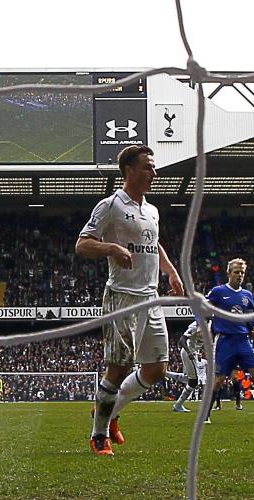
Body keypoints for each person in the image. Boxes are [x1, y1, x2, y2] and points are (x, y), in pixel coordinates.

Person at [76, 144, 184, 456]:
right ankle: (98, 435)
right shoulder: (110, 205)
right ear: (130, 171)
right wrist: (111, 248)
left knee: (156, 369)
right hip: (121, 297)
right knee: (119, 367)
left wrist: (171, 272)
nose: (154, 173)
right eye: (149, 167)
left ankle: (109, 412)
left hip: (149, 297)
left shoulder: (152, 210)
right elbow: (82, 245)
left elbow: (154, 243)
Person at [203, 258, 254, 424]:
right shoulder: (218, 292)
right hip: (225, 341)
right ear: (229, 273)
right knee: (217, 381)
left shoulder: (247, 295)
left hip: (243, 341)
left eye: (242, 273)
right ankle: (205, 416)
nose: (240, 275)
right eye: (236, 272)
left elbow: (252, 318)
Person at [167, 320, 208, 413]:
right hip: (188, 352)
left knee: (189, 378)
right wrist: (189, 352)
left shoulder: (209, 325)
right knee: (194, 381)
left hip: (194, 352)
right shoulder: (194, 326)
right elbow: (181, 340)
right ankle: (178, 405)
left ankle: (164, 373)